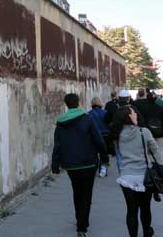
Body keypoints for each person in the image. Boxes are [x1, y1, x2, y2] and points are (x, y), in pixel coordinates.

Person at [52, 93, 108, 237]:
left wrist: (55, 166)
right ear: (78, 103)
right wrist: (105, 157)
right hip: (88, 163)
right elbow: (98, 139)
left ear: (66, 104)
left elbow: (57, 145)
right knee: (86, 195)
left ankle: (79, 220)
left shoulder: (61, 122)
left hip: (71, 164)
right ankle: (82, 227)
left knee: (77, 192)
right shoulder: (87, 119)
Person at [110, 106, 159, 237]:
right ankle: (147, 232)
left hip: (126, 177)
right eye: (133, 113)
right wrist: (159, 167)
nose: (136, 115)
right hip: (145, 176)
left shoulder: (117, 135)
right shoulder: (144, 132)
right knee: (145, 208)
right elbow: (156, 151)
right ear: (128, 117)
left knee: (131, 211)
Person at [133, 89, 163, 162]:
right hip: (160, 133)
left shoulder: (143, 109)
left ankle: (151, 166)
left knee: (147, 151)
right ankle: (159, 167)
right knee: (159, 151)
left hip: (148, 132)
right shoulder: (161, 109)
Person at [89, 97, 109, 177]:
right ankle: (103, 170)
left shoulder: (89, 114)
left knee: (94, 153)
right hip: (105, 135)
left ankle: (93, 168)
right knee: (104, 153)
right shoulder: (106, 113)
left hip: (93, 136)